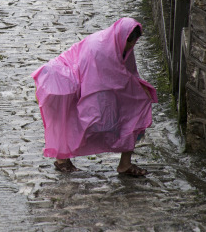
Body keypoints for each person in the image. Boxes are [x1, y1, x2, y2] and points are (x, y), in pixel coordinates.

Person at [31, 17, 157, 177]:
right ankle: (62, 159)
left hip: (98, 85)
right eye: (130, 42)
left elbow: (128, 73)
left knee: (134, 112)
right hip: (73, 79)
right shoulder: (99, 48)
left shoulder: (121, 47)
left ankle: (125, 163)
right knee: (72, 118)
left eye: (134, 42)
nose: (132, 46)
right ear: (123, 37)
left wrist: (140, 89)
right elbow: (95, 76)